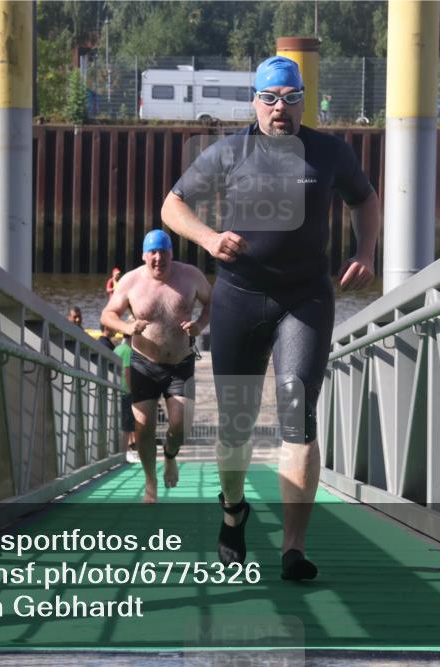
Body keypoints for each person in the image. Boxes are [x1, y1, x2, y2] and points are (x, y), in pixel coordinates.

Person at [161, 56, 378, 580]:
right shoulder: (229, 151)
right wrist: (210, 238)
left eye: (291, 97)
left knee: (297, 417)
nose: (281, 108)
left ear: (304, 100)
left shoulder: (328, 152)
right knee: (235, 426)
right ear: (255, 102)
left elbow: (364, 198)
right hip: (238, 297)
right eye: (271, 98)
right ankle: (233, 511)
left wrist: (366, 250)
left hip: (304, 300)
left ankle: (293, 549)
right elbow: (172, 206)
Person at [101, 229, 212, 503]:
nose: (158, 258)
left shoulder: (190, 276)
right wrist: (127, 326)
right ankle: (151, 483)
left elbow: (213, 303)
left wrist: (199, 325)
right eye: (153, 252)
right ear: (144, 255)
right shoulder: (130, 281)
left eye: (164, 252)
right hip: (144, 364)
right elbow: (107, 314)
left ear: (171, 253)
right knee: (143, 427)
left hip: (180, 364)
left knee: (180, 425)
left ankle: (171, 456)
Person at [113, 335, 139, 462]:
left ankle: (119, 453)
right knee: (127, 426)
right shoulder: (129, 351)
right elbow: (127, 371)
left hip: (115, 389)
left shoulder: (118, 349)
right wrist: (131, 390)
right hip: (125, 391)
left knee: (119, 424)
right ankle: (123, 454)